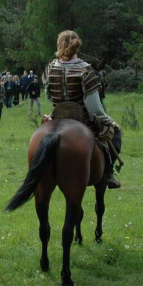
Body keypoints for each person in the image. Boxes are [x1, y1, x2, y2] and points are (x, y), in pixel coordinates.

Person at [43, 30, 121, 189]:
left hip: (58, 117)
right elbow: (93, 106)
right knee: (116, 132)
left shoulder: (50, 68)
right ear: (76, 46)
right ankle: (108, 173)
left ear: (59, 45)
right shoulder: (85, 69)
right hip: (82, 119)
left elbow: (49, 96)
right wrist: (106, 120)